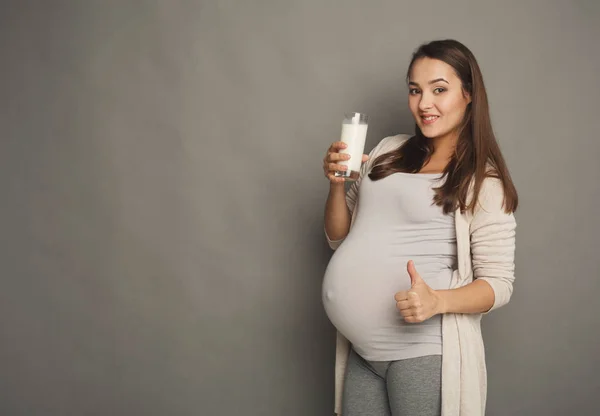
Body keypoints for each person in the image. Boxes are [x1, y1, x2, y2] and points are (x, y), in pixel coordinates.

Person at [321, 39, 518, 416]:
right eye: (415, 90)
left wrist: (437, 301)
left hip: (422, 352)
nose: (424, 103)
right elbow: (338, 237)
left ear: (469, 94)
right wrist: (336, 183)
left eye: (439, 90)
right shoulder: (386, 151)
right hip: (362, 353)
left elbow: (499, 284)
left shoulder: (483, 181)